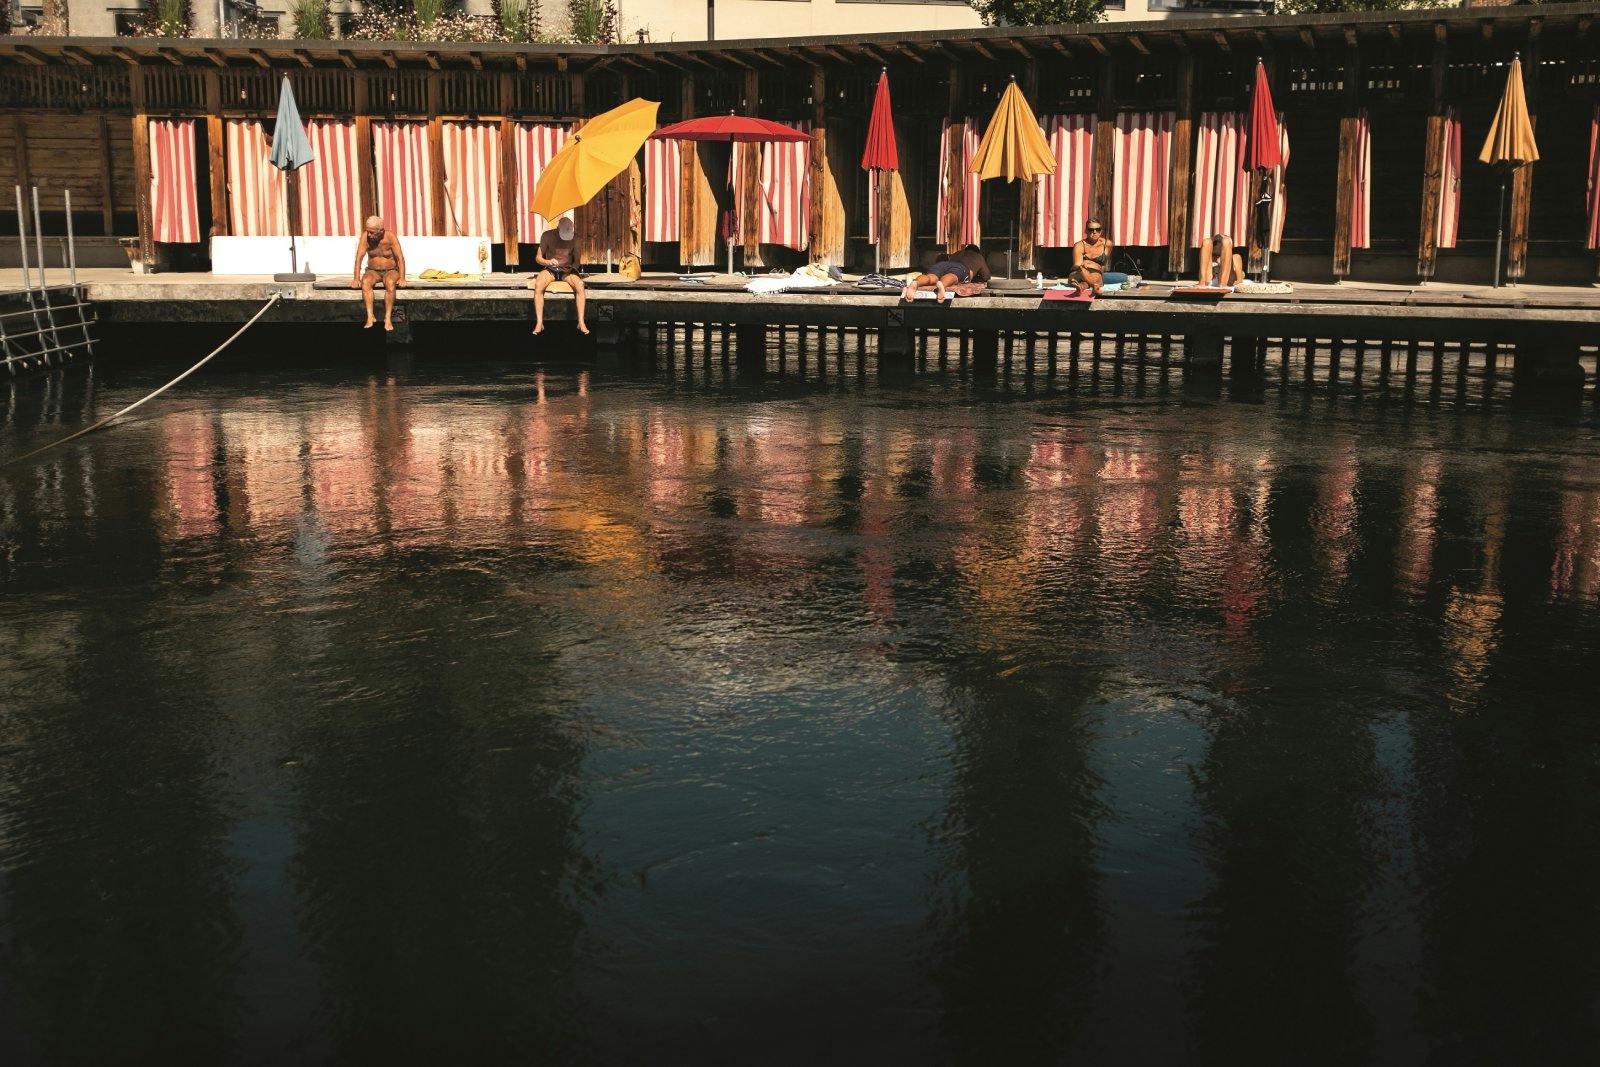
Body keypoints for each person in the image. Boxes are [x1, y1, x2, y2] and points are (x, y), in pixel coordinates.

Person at [531, 216, 588, 335]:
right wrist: (548, 262)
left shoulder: (576, 238)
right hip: (551, 269)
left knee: (580, 285)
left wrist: (572, 269)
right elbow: (538, 258)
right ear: (557, 229)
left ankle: (581, 322)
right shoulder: (547, 236)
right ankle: (539, 322)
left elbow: (577, 260)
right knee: (539, 284)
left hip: (566, 270)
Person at [352, 216, 405, 331]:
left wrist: (402, 278)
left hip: (391, 270)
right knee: (365, 282)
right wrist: (356, 278)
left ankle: (387, 318)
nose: (369, 234)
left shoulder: (390, 237)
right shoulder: (365, 237)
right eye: (368, 231)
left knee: (390, 283)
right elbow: (359, 258)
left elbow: (400, 258)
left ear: (381, 231)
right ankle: (370, 316)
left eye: (372, 232)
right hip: (373, 271)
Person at [901, 244, 991, 303]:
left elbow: (948, 262)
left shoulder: (958, 253)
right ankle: (942, 285)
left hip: (943, 264)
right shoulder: (978, 257)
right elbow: (986, 276)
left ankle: (916, 283)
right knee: (952, 276)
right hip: (960, 267)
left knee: (931, 277)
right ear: (977, 251)